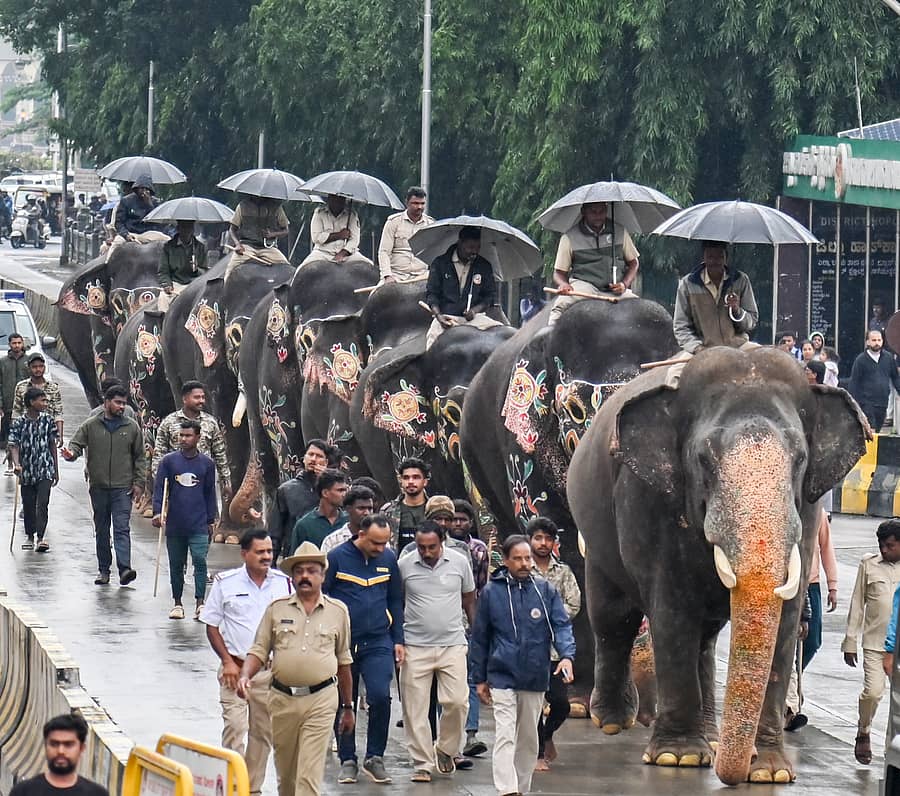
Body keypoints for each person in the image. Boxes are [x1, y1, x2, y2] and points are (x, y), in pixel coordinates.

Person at [238, 542, 354, 796]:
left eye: (312, 570)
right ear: (292, 577)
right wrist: (245, 675)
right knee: (287, 777)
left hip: (321, 700)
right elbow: (259, 649)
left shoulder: (338, 612)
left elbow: (344, 661)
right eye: (299, 571)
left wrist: (348, 707)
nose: (305, 576)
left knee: (308, 778)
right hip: (282, 701)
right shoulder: (276, 609)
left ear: (322, 575)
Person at [469, 535, 576, 796]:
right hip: (502, 674)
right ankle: (507, 790)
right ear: (506, 561)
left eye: (527, 558)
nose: (524, 563)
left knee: (529, 739)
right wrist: (479, 679)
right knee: (505, 734)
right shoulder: (492, 593)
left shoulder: (545, 590)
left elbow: (561, 625)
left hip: (535, 674)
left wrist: (566, 656)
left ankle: (521, 788)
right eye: (517, 558)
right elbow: (480, 637)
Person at [199, 530, 292, 795]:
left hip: (270, 672)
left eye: (269, 552)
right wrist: (227, 662)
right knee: (235, 728)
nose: (266, 557)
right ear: (244, 554)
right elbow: (212, 625)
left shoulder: (284, 585)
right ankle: (233, 785)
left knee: (262, 734)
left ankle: (251, 788)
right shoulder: (225, 583)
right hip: (235, 669)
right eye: (260, 552)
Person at [324, 514, 404, 785]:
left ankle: (375, 757)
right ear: (360, 534)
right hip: (343, 643)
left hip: (378, 640)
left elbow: (395, 600)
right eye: (375, 543)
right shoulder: (336, 558)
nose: (380, 549)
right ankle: (348, 759)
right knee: (345, 700)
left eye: (385, 543)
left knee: (381, 696)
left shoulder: (389, 559)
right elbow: (323, 598)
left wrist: (399, 640)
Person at [398, 521, 476, 782]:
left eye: (431, 547)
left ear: (442, 541)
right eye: (421, 547)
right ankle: (422, 763)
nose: (426, 552)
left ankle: (446, 748)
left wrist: (476, 633)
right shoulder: (405, 564)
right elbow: (397, 602)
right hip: (414, 646)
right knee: (415, 709)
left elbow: (469, 599)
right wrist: (397, 640)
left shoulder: (459, 561)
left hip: (452, 643)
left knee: (457, 702)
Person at [61, 385, 145, 585]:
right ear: (106, 402)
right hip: (98, 487)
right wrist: (70, 454)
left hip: (122, 487)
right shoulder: (91, 425)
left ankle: (125, 569)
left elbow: (140, 458)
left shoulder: (132, 427)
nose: (121, 407)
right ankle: (104, 570)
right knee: (102, 529)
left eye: (124, 403)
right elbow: (76, 445)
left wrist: (140, 483)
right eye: (117, 402)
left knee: (121, 528)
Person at [527, 517, 581, 771]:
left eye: (548, 539)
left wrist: (550, 616)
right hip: (528, 649)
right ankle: (537, 754)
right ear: (530, 540)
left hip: (556, 650)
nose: (543, 543)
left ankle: (548, 735)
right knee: (535, 703)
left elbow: (574, 603)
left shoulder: (563, 572)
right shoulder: (523, 570)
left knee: (560, 703)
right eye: (538, 538)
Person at [846, 520, 900, 765]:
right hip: (875, 644)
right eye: (881, 545)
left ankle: (893, 750)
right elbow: (857, 605)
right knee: (873, 693)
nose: (884, 550)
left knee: (897, 705)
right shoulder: (869, 565)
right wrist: (850, 641)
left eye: (890, 545)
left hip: (898, 647)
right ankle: (863, 730)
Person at [153, 420, 217, 619]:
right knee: (176, 563)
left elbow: (210, 493)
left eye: (188, 435)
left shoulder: (207, 464)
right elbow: (160, 490)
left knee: (199, 560)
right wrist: (158, 512)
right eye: (181, 435)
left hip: (198, 523)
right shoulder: (168, 462)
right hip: (175, 523)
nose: (183, 439)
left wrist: (211, 519)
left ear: (198, 437)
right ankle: (177, 603)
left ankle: (200, 603)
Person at [548, 201, 640, 326]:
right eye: (593, 211)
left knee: (641, 309)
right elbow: (558, 273)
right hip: (584, 287)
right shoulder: (569, 237)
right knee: (561, 306)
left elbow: (634, 263)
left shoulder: (620, 231)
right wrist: (564, 284)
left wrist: (624, 284)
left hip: (614, 289)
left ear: (607, 210)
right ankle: (550, 339)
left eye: (601, 211)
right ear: (583, 212)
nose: (598, 215)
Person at [152, 380, 231, 512]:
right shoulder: (169, 422)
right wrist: (159, 482)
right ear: (185, 399)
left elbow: (220, 453)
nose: (201, 401)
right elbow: (159, 454)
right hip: (177, 482)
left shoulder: (210, 423)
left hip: (203, 481)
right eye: (196, 397)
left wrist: (226, 481)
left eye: (203, 397)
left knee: (206, 521)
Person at [451, 499, 490, 758]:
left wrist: (480, 624)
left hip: (469, 619)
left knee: (470, 678)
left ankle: (471, 734)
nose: (457, 524)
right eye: (454, 519)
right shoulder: (431, 547)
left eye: (463, 519)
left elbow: (481, 586)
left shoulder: (478, 550)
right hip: (443, 621)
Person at [672, 241, 759, 354]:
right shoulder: (687, 284)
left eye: (720, 257)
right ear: (704, 257)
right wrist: (697, 348)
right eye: (710, 257)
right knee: (674, 372)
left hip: (738, 347)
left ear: (726, 258)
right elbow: (680, 326)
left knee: (768, 364)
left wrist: (736, 310)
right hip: (702, 350)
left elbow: (751, 321)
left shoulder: (740, 280)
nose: (715, 261)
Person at [425, 227, 502, 349]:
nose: (474, 252)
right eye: (470, 247)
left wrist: (474, 310)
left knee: (500, 334)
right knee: (432, 338)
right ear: (460, 243)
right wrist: (439, 316)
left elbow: (489, 296)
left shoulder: (484, 266)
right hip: (447, 317)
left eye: (477, 248)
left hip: (475, 319)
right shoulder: (440, 263)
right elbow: (431, 294)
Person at [8, 387, 58, 551]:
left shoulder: (48, 421)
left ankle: (41, 538)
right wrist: (17, 464)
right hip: (27, 471)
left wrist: (56, 470)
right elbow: (13, 445)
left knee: (42, 503)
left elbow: (52, 444)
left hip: (45, 469)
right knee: (28, 504)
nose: (45, 403)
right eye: (42, 400)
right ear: (31, 402)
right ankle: (30, 536)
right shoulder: (19, 423)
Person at [10, 714, 109, 796]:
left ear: (81, 748)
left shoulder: (97, 793)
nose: (60, 751)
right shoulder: (23, 792)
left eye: (68, 744)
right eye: (54, 744)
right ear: (45, 746)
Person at [269, 440, 336, 559]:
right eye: (310, 454)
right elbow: (275, 532)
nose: (313, 459)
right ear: (304, 458)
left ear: (326, 462)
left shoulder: (334, 489)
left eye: (319, 456)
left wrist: (327, 480)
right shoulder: (287, 490)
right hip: (296, 554)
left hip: (328, 553)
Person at [226, 193, 290, 279]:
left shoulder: (276, 207)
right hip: (247, 247)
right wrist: (237, 244)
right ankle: (225, 289)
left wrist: (272, 234)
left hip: (269, 248)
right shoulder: (242, 206)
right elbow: (232, 229)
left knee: (287, 268)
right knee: (230, 269)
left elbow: (286, 230)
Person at [847, 328, 900, 432]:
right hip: (866, 402)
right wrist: (854, 404)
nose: (877, 343)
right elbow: (854, 383)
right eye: (874, 340)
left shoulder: (888, 358)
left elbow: (895, 378)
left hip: (882, 402)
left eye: (879, 340)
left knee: (878, 431)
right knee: (871, 431)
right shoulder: (860, 360)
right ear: (867, 342)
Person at [377, 187, 433, 283]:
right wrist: (387, 275)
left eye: (422, 203)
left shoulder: (431, 224)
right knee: (376, 296)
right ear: (406, 203)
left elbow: (434, 254)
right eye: (415, 203)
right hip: (396, 275)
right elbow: (384, 252)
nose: (419, 207)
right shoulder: (393, 222)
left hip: (422, 276)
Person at [300, 194, 373, 267]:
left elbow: (355, 240)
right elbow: (316, 238)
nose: (337, 201)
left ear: (345, 200)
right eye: (334, 198)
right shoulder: (319, 213)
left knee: (370, 265)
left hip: (348, 255)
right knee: (301, 268)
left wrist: (342, 253)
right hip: (322, 253)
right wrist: (340, 235)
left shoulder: (352, 215)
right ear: (329, 198)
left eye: (341, 198)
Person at [290, 469, 349, 551]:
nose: (344, 494)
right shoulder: (304, 525)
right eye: (340, 490)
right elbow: (296, 559)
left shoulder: (349, 521)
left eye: (345, 490)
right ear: (325, 493)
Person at [13, 352, 64, 444]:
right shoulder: (21, 386)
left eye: (41, 366)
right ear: (29, 368)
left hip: (47, 432)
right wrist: (13, 435)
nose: (38, 369)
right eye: (34, 367)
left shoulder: (53, 387)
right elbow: (16, 411)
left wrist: (59, 435)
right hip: (26, 432)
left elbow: (58, 413)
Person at [158, 220, 209, 311]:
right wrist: (167, 284)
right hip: (175, 284)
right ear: (178, 229)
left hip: (194, 284)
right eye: (183, 228)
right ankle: (162, 323)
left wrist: (197, 269)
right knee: (163, 298)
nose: (186, 231)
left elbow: (205, 273)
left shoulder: (200, 247)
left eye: (189, 228)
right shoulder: (168, 247)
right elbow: (163, 271)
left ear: (193, 230)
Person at [382, 457, 430, 551]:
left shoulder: (434, 509)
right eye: (406, 478)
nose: (410, 481)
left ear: (425, 481)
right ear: (401, 480)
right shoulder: (388, 511)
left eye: (416, 477)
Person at [320, 485, 375, 554]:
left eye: (370, 509)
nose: (367, 513)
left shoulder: (378, 538)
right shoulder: (332, 541)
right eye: (361, 508)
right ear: (348, 509)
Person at [1, 332, 29, 454]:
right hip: (8, 405)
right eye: (14, 343)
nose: (17, 345)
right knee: (8, 435)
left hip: (25, 406)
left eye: (19, 343)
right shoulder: (3, 362)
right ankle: (10, 462)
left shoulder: (29, 361)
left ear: (22, 343)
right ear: (9, 344)